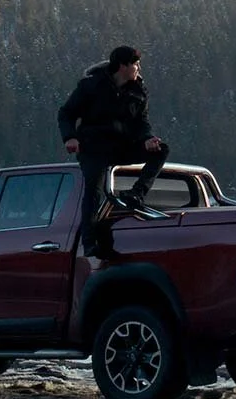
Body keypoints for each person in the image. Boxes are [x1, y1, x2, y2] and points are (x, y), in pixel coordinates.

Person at [57, 45, 168, 258]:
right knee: (94, 190)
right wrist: (70, 137)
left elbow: (141, 122)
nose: (138, 68)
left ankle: (136, 194)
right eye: (135, 64)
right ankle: (89, 243)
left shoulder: (138, 90)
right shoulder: (91, 85)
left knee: (161, 150)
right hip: (93, 147)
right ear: (122, 66)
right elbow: (66, 113)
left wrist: (148, 139)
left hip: (122, 146)